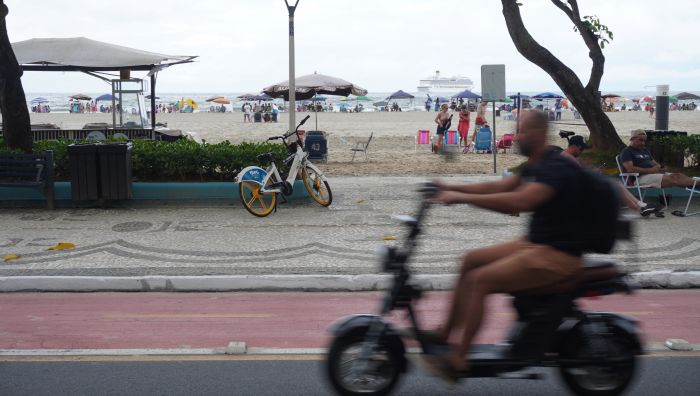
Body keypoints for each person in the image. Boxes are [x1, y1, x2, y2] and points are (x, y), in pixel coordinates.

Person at [422, 111, 591, 381]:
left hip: (558, 255)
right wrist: (450, 186)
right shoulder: (537, 163)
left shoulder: (556, 167)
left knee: (482, 280)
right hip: (536, 245)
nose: (516, 136)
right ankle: (444, 335)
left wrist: (460, 199)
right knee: (471, 259)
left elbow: (518, 202)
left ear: (537, 134)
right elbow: (499, 186)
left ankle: (457, 361)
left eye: (521, 131)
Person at [562, 135, 661, 217]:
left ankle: (641, 206)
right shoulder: (568, 158)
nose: (582, 151)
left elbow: (581, 172)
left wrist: (593, 171)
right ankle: (641, 207)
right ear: (574, 146)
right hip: (577, 189)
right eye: (581, 148)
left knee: (617, 184)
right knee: (616, 185)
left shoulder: (572, 157)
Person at [620, 130, 695, 189]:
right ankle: (696, 183)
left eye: (644, 141)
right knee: (672, 179)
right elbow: (630, 169)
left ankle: (697, 183)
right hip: (639, 178)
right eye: (640, 140)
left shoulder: (645, 150)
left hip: (652, 174)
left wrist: (661, 168)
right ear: (632, 139)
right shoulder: (627, 151)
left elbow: (655, 164)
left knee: (677, 175)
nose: (643, 143)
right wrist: (651, 170)